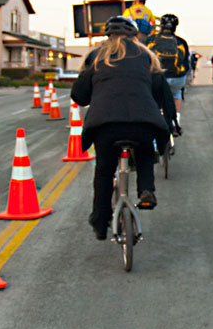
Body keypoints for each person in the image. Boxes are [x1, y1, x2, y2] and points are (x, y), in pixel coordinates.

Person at [71, 15, 178, 240]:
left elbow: (79, 95)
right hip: (142, 120)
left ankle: (100, 221)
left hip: (105, 124)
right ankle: (146, 190)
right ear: (134, 35)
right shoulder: (147, 56)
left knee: (104, 170)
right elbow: (161, 92)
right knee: (145, 152)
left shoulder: (97, 56)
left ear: (107, 35)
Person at [146, 13, 190, 122]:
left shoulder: (151, 40)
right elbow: (186, 64)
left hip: (157, 77)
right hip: (176, 77)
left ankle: (155, 119)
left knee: (153, 95)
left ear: (161, 25)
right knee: (176, 93)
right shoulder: (181, 42)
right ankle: (176, 121)